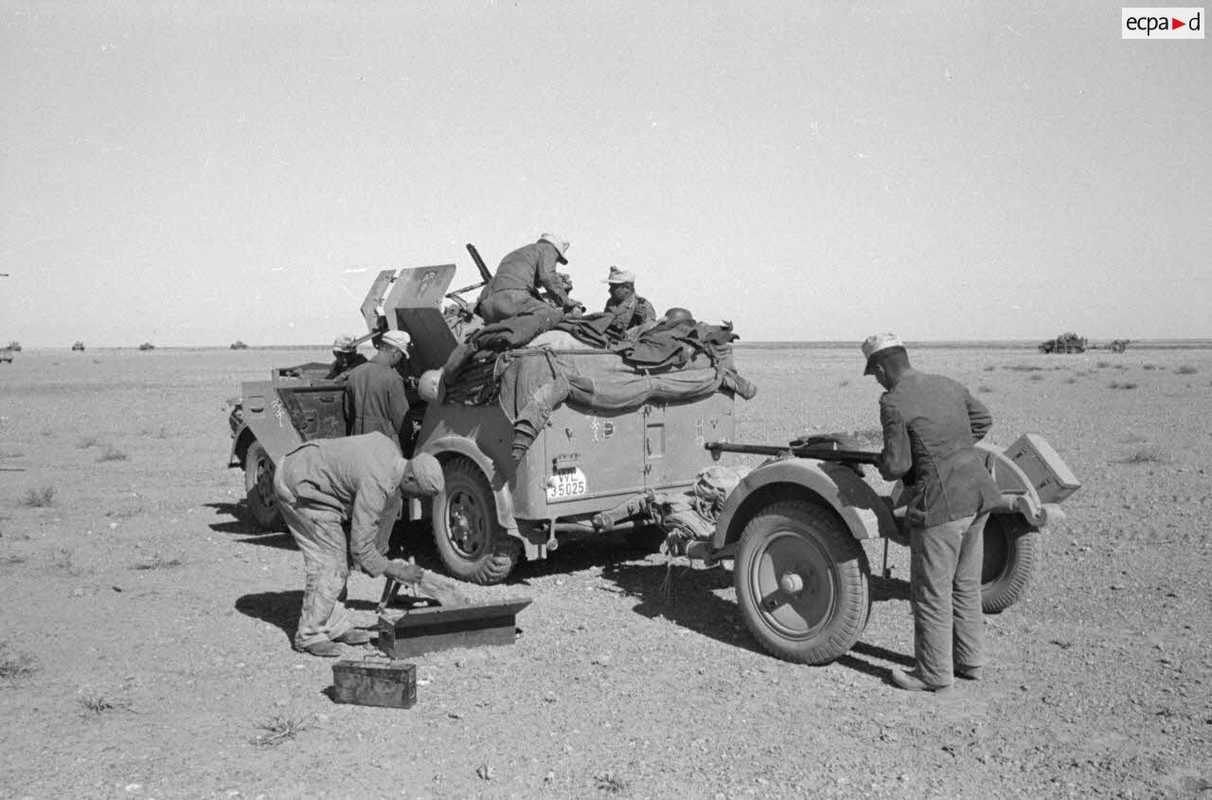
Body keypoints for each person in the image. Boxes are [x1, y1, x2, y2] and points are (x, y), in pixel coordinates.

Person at [862, 333, 1002, 693]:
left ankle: (933, 673)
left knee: (931, 591)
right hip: (978, 492)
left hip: (942, 502)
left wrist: (890, 463)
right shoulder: (947, 384)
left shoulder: (893, 401)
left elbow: (896, 464)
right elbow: (983, 420)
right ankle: (970, 661)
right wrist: (951, 445)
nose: (877, 381)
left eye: (875, 374)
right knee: (965, 584)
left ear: (881, 368)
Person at [273, 433, 461, 656]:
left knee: (338, 559)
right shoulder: (378, 485)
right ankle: (310, 635)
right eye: (419, 494)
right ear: (410, 479)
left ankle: (335, 626)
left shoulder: (393, 457)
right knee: (329, 562)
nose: (417, 499)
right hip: (298, 484)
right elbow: (360, 549)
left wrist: (383, 559)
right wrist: (396, 570)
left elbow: (372, 534)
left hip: (310, 472)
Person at [476, 234, 581, 326]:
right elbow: (547, 277)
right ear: (556, 250)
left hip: (486, 306)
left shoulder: (519, 254)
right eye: (556, 260)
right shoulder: (548, 249)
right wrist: (566, 302)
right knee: (551, 314)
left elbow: (522, 279)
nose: (555, 262)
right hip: (510, 300)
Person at [343, 330, 411, 449]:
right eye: (401, 355)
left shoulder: (355, 373)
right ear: (395, 352)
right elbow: (402, 421)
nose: (401, 359)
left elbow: (348, 413)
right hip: (383, 446)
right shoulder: (393, 378)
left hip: (357, 444)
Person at [601, 266, 656, 336]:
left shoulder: (643, 305)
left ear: (626, 288)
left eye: (613, 287)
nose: (609, 290)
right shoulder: (611, 302)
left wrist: (641, 319)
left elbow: (651, 332)